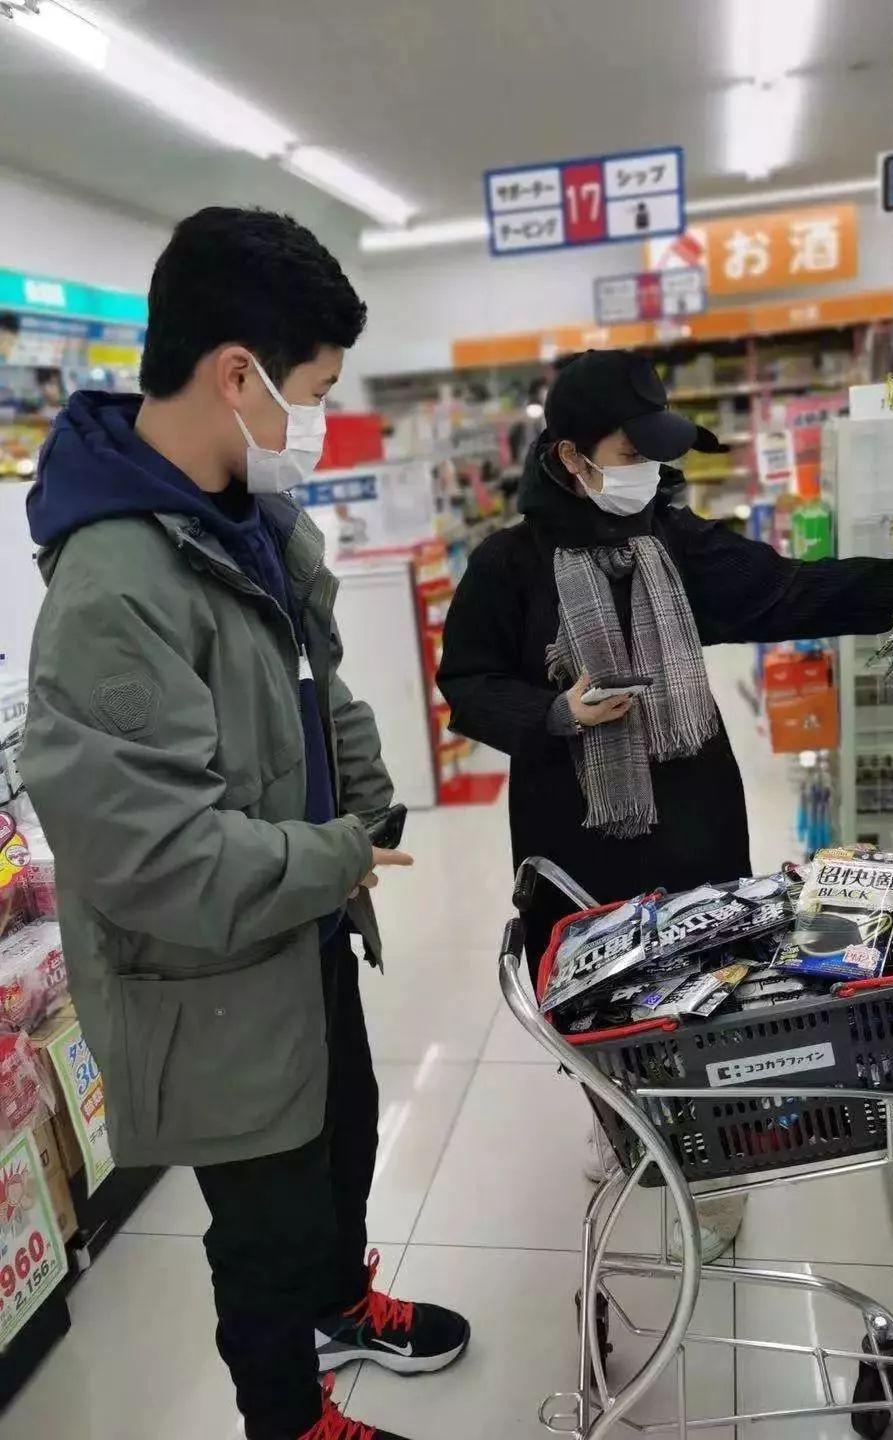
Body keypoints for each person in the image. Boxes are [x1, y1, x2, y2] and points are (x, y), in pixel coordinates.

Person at [19, 208, 469, 1440]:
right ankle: (288, 1418)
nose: (315, 421)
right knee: (262, 1226)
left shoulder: (250, 519)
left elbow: (319, 685)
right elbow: (151, 855)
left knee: (341, 1144)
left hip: (302, 926)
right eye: (311, 392)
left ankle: (342, 1301)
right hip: (211, 979)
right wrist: (338, 852)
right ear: (236, 375)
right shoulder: (115, 587)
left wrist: (366, 793)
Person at [437, 348, 893, 1259]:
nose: (651, 472)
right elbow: (465, 681)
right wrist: (554, 713)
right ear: (572, 457)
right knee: (598, 1001)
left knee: (711, 989)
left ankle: (713, 1159)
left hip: (694, 813)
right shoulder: (508, 566)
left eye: (658, 454)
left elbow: (781, 590)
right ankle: (619, 1120)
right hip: (576, 827)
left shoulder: (676, 543)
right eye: (633, 453)